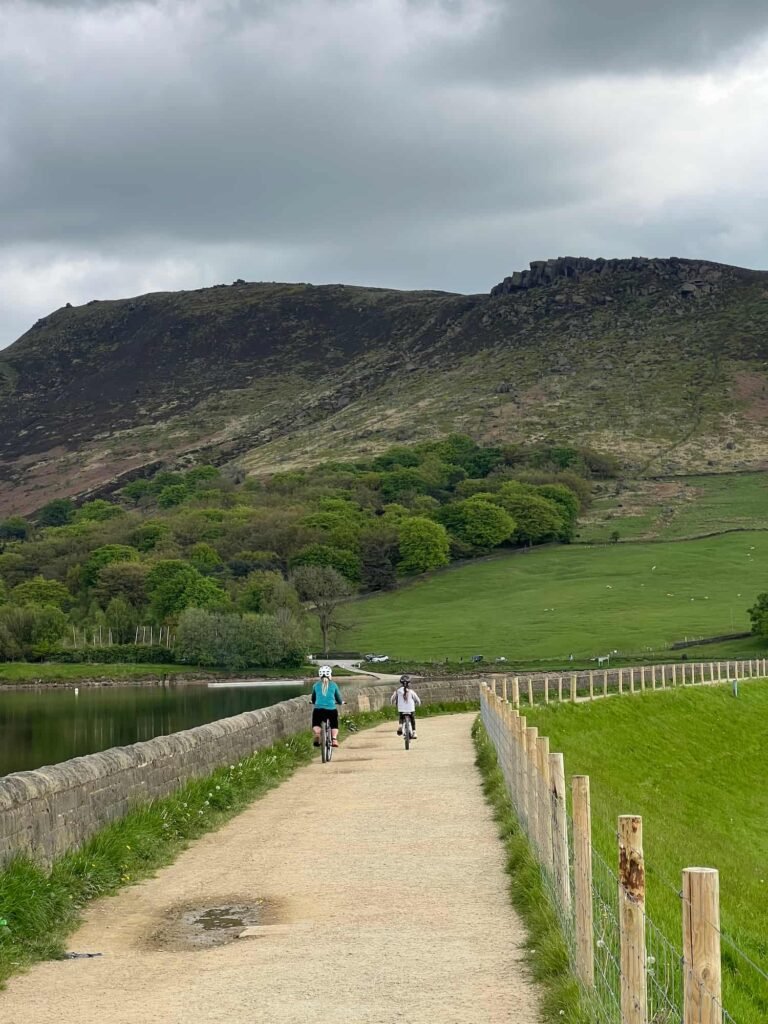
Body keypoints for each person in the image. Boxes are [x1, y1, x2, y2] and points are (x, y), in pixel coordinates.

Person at [311, 665, 343, 748]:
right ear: (330, 675)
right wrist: (340, 702)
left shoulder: (315, 685)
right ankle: (334, 739)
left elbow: (313, 698)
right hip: (331, 709)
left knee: (316, 723)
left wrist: (314, 702)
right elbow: (338, 698)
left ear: (320, 675)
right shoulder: (334, 685)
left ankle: (318, 734)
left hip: (318, 709)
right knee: (334, 724)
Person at [390, 674, 421, 739]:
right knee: (412, 719)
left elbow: (392, 698)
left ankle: (400, 725)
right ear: (409, 683)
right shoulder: (411, 691)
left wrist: (392, 703)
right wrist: (418, 703)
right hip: (410, 709)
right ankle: (414, 732)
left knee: (401, 717)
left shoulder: (398, 691)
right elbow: (417, 699)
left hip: (401, 709)